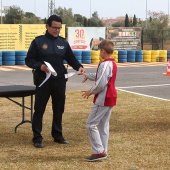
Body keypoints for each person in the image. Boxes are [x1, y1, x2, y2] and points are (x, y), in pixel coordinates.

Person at [25, 15, 85, 148]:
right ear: (47, 26)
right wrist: (40, 66)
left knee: (58, 109)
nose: (56, 30)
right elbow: (28, 60)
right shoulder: (38, 42)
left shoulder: (63, 43)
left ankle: (57, 135)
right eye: (54, 27)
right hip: (43, 81)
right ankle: (37, 137)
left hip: (59, 81)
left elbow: (71, 58)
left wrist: (79, 67)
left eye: (59, 28)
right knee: (39, 109)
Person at [82, 40, 117, 161]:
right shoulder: (111, 63)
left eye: (99, 51)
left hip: (103, 98)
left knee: (90, 124)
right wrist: (88, 75)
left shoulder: (105, 64)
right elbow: (101, 76)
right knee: (103, 125)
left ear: (102, 51)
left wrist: (90, 91)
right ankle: (103, 150)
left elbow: (101, 84)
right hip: (110, 97)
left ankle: (99, 151)